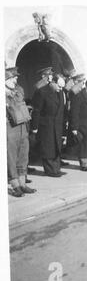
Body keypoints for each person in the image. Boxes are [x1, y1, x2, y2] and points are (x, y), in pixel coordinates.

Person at [6, 67, 36, 197]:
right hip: (10, 128)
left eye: (16, 77)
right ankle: (14, 184)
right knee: (11, 157)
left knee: (23, 155)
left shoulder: (17, 91)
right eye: (12, 77)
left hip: (23, 126)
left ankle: (22, 183)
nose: (15, 79)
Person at [31, 73, 66, 177]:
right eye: (59, 86)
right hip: (46, 125)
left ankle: (56, 168)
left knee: (56, 147)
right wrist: (35, 127)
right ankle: (50, 170)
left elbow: (61, 109)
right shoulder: (42, 92)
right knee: (48, 148)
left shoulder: (59, 91)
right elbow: (37, 111)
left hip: (57, 125)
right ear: (53, 82)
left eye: (62, 87)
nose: (60, 89)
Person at [69, 79, 87, 171]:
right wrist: (74, 128)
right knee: (83, 144)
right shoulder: (79, 96)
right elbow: (74, 112)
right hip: (82, 125)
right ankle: (83, 163)